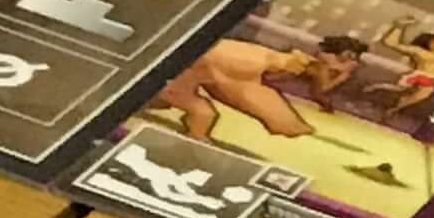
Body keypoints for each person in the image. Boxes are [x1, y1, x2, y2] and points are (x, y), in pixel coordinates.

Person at [143, 29, 364, 145]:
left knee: (199, 109)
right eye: (347, 57)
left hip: (203, 72)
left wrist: (339, 75)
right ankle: (193, 139)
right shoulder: (251, 62)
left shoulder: (295, 63)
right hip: (186, 73)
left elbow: (319, 89)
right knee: (203, 113)